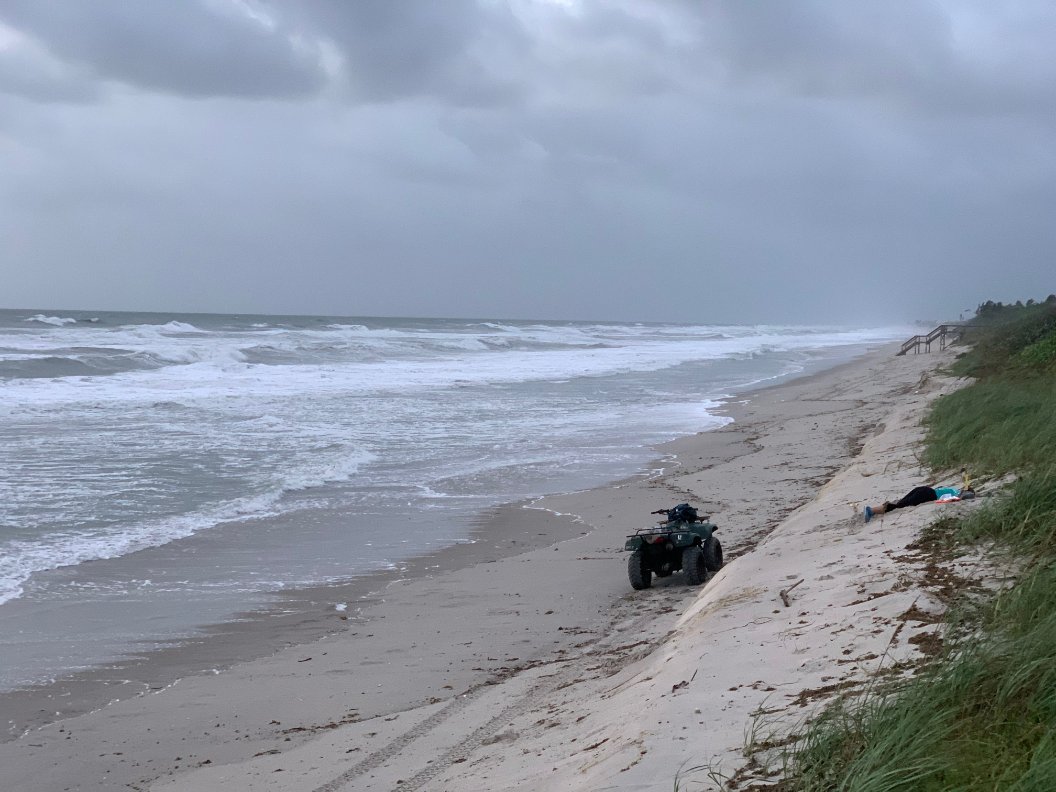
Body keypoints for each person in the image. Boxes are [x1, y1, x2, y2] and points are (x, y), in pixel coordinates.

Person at [864, 485, 975, 522]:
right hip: (928, 495)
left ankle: (872, 510)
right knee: (899, 505)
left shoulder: (953, 489)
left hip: (925, 489)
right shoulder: (956, 494)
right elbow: (963, 496)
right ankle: (871, 511)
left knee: (901, 502)